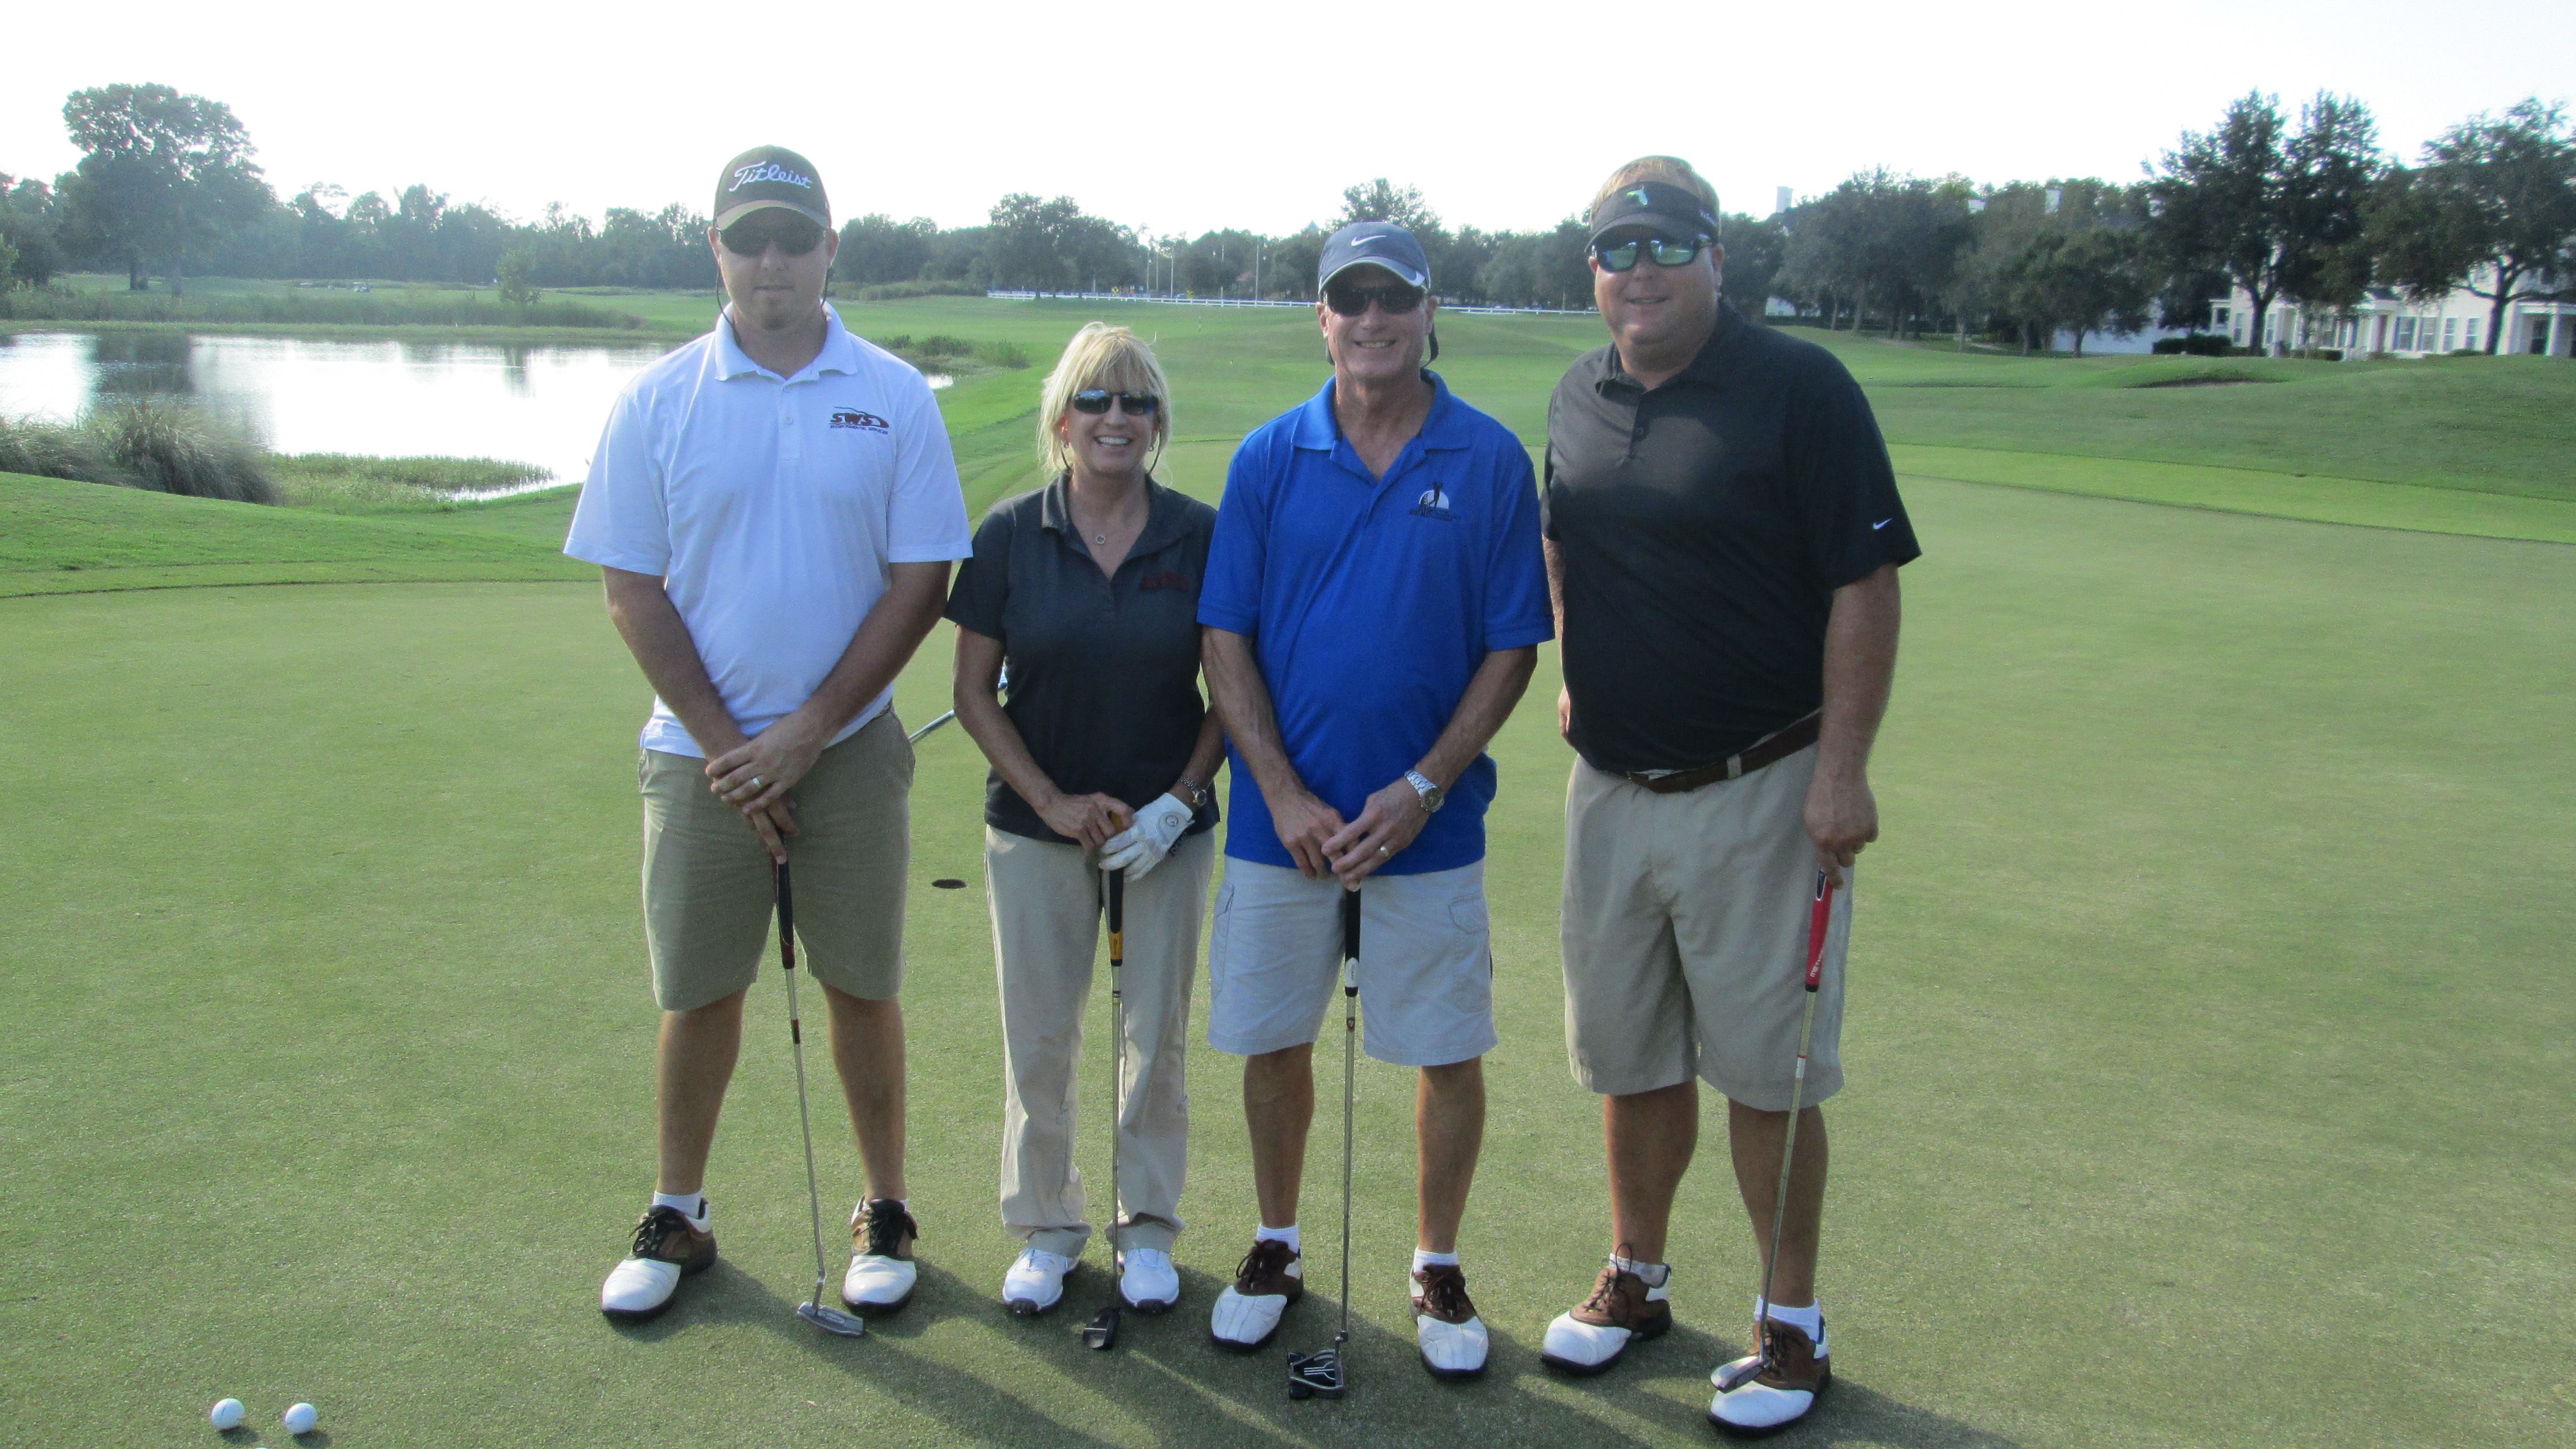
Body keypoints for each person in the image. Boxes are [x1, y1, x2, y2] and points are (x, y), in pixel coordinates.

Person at [1533, 157, 1917, 1432]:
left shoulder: (1800, 389)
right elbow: (1564, 534)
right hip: (1611, 789)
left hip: (1763, 784)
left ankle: (1790, 1327)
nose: (1636, 268)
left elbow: (1865, 586)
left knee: (1769, 1073)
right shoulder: (1577, 395)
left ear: (1716, 258)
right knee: (1631, 1058)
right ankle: (1637, 1277)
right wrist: (1575, 667)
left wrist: (1844, 771)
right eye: (1613, 247)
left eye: (1664, 244)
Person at [574, 145, 972, 1325]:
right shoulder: (656, 401)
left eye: (793, 239)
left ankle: (885, 1207)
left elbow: (922, 578)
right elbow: (631, 590)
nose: (772, 262)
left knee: (861, 984)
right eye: (749, 238)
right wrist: (732, 751)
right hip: (695, 757)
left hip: (846, 751)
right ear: (715, 249)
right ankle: (678, 1210)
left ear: (830, 248)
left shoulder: (894, 393)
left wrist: (805, 732)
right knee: (700, 992)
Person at [1196, 222, 1552, 1380]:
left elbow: (1511, 649)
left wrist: (1421, 786)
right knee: (1272, 1041)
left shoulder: (1489, 458)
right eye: (1349, 301)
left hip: (1430, 826)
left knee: (1447, 1052)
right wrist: (1285, 793)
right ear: (1323, 320)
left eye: (1392, 298)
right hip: (1275, 828)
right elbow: (1225, 638)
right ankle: (1276, 1240)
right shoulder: (1267, 457)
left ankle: (1437, 1261)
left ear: (1428, 309)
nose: (1372, 320)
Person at [944, 323, 1224, 1318]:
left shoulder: (1200, 533)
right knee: (1042, 1036)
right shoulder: (1012, 533)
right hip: (1033, 826)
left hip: (1167, 827)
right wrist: (1052, 801)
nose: (1118, 419)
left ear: (1157, 423)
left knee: (1157, 1035)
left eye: (1138, 402)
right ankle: (1049, 1226)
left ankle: (1145, 1228)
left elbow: (1235, 689)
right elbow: (974, 691)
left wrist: (1177, 801)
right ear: (1062, 419)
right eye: (1098, 401)